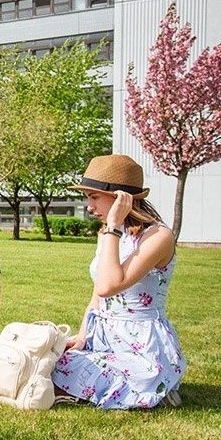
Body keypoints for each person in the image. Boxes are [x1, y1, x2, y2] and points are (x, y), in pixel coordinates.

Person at [55, 154, 185, 409]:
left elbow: (110, 285)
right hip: (102, 335)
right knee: (52, 361)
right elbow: (98, 293)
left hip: (141, 343)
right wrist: (82, 335)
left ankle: (152, 386)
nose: (89, 206)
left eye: (94, 197)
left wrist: (113, 226)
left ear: (119, 198)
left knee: (82, 374)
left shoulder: (158, 236)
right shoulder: (108, 232)